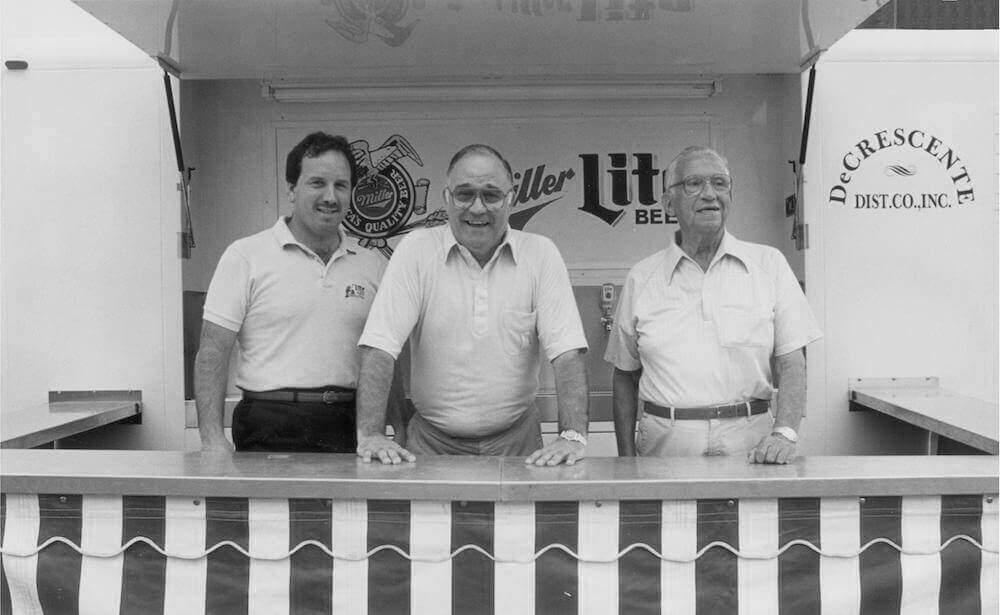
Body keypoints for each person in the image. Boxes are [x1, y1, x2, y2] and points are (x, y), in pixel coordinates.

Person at [354, 144, 590, 465]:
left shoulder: (541, 254)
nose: (477, 208)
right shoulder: (416, 250)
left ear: (511, 199)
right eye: (465, 194)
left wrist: (572, 435)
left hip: (518, 444)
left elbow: (567, 353)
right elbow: (379, 347)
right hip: (430, 444)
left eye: (491, 195)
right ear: (447, 198)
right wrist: (371, 433)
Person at [604, 145, 821, 464]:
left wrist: (785, 432)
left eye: (720, 183)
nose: (710, 194)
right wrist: (625, 460)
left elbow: (793, 362)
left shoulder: (769, 264)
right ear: (668, 203)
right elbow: (624, 376)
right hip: (665, 444)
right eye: (694, 184)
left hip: (750, 440)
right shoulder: (642, 277)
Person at [195, 131, 403, 453]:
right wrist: (211, 438)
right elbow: (212, 351)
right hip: (267, 424)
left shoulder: (373, 264)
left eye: (341, 185)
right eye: (317, 183)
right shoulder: (245, 256)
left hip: (348, 424)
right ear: (292, 189)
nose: (330, 197)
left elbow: (386, 354)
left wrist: (398, 426)